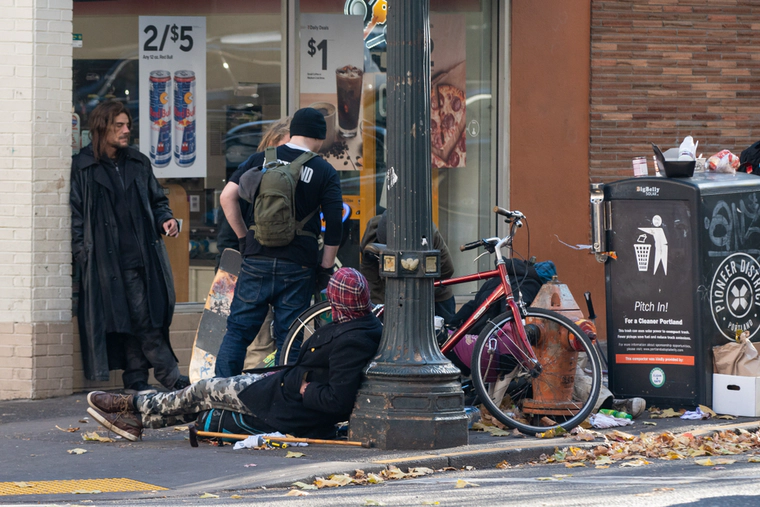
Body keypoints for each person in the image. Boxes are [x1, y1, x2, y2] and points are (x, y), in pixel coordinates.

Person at [84, 268, 382, 441]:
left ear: (339, 302)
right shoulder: (356, 324)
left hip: (291, 402)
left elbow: (337, 400)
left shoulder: (353, 339)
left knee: (204, 390)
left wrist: (304, 388)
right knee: (206, 397)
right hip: (281, 389)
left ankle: (132, 404)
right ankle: (136, 420)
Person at [70, 100, 189, 395]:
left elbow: (157, 201)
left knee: (144, 317)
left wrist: (166, 220)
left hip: (142, 258)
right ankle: (165, 376)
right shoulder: (83, 167)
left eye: (127, 125)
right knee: (130, 320)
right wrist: (81, 255)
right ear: (102, 128)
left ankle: (141, 378)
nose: (126, 131)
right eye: (119, 125)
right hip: (104, 261)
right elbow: (75, 215)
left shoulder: (137, 162)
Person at [214, 107, 344, 374]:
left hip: (256, 258)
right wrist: (326, 267)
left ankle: (219, 402)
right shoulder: (324, 171)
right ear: (319, 137)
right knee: (290, 336)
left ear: (293, 131)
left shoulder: (259, 159)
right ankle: (280, 398)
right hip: (298, 265)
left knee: (238, 332)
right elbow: (333, 225)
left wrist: (243, 238)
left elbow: (227, 197)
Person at [215, 117, 292, 369]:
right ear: (272, 144)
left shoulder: (288, 177)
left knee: (278, 342)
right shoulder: (251, 176)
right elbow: (228, 232)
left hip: (274, 268)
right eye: (286, 146)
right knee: (257, 344)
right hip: (253, 268)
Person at [360, 210, 456, 320]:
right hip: (387, 291)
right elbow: (369, 276)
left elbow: (447, 269)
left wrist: (414, 295)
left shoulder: (428, 234)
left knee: (446, 332)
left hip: (435, 294)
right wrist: (381, 307)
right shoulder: (371, 236)